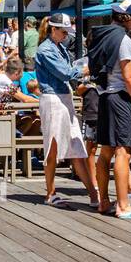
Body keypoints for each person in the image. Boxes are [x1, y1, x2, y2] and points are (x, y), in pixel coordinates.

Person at [88, 0, 131, 220]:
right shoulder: (123, 39)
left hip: (104, 96)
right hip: (120, 98)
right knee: (123, 151)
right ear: (129, 18)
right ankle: (124, 205)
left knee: (105, 151)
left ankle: (104, 201)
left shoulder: (101, 34)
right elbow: (129, 75)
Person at [34, 14, 101, 209]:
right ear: (53, 29)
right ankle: (51, 193)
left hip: (62, 98)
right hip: (53, 99)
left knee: (76, 147)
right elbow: (65, 72)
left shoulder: (58, 47)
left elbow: (68, 70)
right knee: (53, 148)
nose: (66, 36)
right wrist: (87, 69)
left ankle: (93, 196)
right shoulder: (46, 49)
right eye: (63, 32)